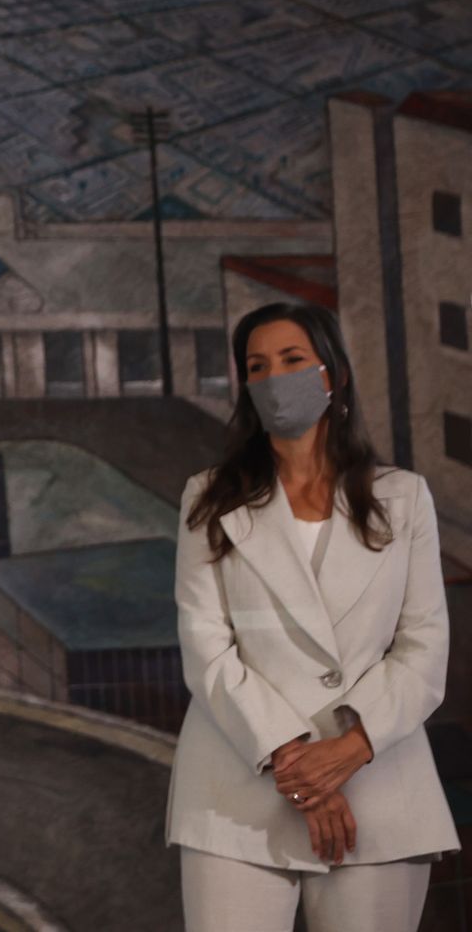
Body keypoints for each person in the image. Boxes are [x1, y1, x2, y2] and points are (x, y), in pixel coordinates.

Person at [167, 301, 454, 931]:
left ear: (334, 373)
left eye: (292, 360)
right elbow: (205, 645)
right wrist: (299, 764)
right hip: (238, 787)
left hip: (378, 781)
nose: (275, 378)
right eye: (258, 366)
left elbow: (424, 646)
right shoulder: (208, 498)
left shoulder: (402, 499)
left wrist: (351, 749)